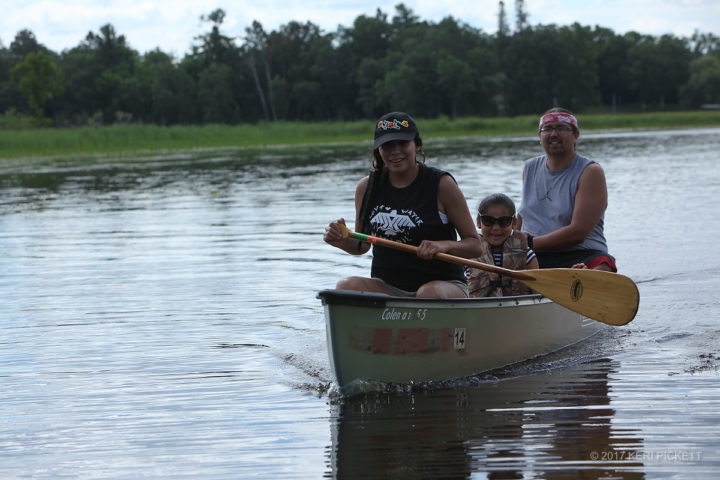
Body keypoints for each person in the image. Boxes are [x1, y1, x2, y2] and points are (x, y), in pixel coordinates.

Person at [323, 112, 482, 298]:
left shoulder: (442, 184)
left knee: (427, 293)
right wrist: (341, 240)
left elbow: (475, 246)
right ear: (378, 151)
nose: (395, 151)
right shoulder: (366, 187)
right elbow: (361, 246)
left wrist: (443, 245)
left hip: (443, 286)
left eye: (402, 143)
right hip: (388, 287)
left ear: (417, 145)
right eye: (387, 145)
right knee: (345, 287)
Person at [517, 107, 617, 271]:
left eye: (561, 128)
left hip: (581, 254)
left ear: (575, 136)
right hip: (533, 254)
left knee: (602, 266)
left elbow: (578, 232)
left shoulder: (591, 172)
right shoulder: (529, 167)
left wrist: (525, 244)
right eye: (547, 129)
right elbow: (523, 215)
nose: (554, 134)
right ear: (539, 136)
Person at [467, 193, 539, 297]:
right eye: (488, 221)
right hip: (481, 310)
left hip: (519, 309)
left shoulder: (527, 255)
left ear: (514, 223)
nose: (496, 228)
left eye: (503, 221)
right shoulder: (469, 254)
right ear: (479, 222)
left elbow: (537, 293)